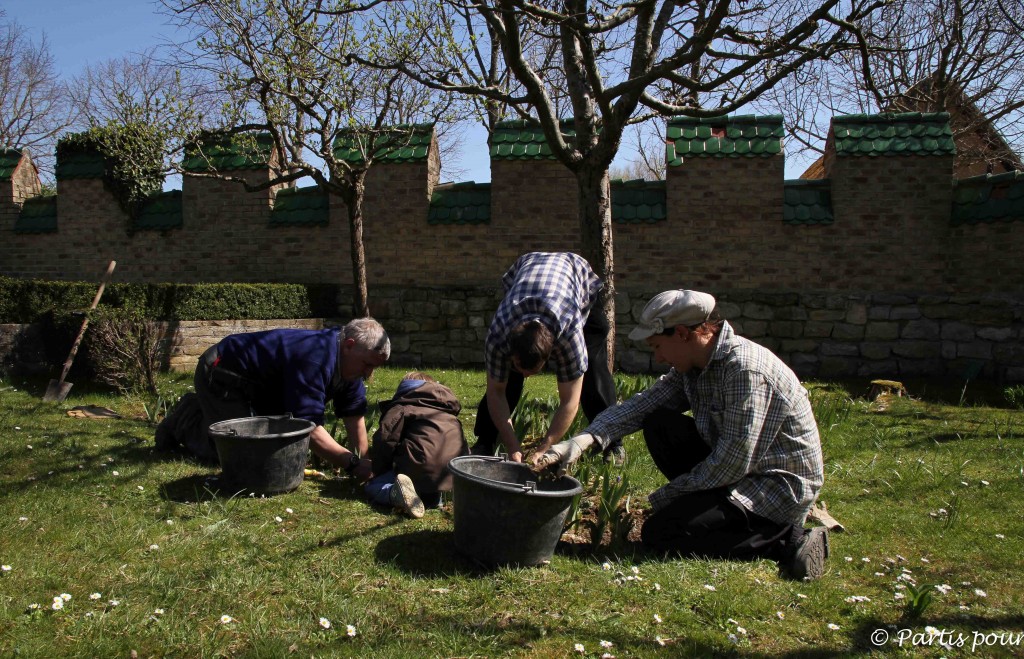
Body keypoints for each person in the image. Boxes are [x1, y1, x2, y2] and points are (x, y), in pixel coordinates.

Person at [535, 290, 829, 580]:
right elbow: (643, 406)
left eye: (657, 346)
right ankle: (710, 513)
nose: (659, 357)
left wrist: (669, 496)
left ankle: (787, 539)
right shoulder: (695, 365)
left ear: (683, 334)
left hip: (774, 486)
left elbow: (733, 462)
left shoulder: (744, 371)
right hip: (739, 470)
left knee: (661, 534)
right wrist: (582, 441)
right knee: (659, 423)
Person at [155, 318, 390, 482]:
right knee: (239, 456)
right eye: (368, 365)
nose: (369, 374)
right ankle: (185, 422)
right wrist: (351, 464)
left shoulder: (350, 364)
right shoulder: (314, 358)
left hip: (260, 386)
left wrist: (365, 462)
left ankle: (204, 413)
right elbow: (306, 426)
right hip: (223, 373)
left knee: (265, 447)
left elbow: (353, 414)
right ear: (349, 346)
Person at [473, 251, 620, 464]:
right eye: (520, 367)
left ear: (550, 355)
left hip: (575, 273)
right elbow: (496, 393)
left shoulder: (570, 336)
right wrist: (513, 445)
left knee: (593, 374)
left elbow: (570, 401)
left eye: (532, 372)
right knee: (508, 382)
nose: (528, 377)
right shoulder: (498, 335)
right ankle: (485, 441)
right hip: (527, 268)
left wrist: (545, 447)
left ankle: (613, 443)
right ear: (510, 350)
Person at [364, 372, 469, 518]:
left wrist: (378, 469)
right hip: (450, 475)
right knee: (428, 478)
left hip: (417, 467)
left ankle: (393, 493)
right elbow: (462, 445)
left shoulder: (403, 407)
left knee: (373, 486)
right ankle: (433, 499)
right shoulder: (449, 415)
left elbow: (385, 439)